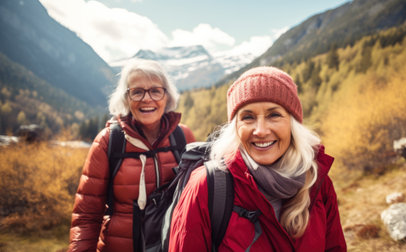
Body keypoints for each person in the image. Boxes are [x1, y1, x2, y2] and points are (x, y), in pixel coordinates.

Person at [169, 66, 346, 251]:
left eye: (274, 115)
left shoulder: (316, 182)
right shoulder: (206, 186)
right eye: (248, 117)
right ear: (235, 127)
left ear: (293, 124)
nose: (260, 130)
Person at [68, 59, 195, 251]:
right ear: (126, 99)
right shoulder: (109, 141)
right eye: (137, 92)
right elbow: (87, 215)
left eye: (155, 90)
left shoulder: (183, 137)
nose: (146, 99)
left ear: (167, 96)